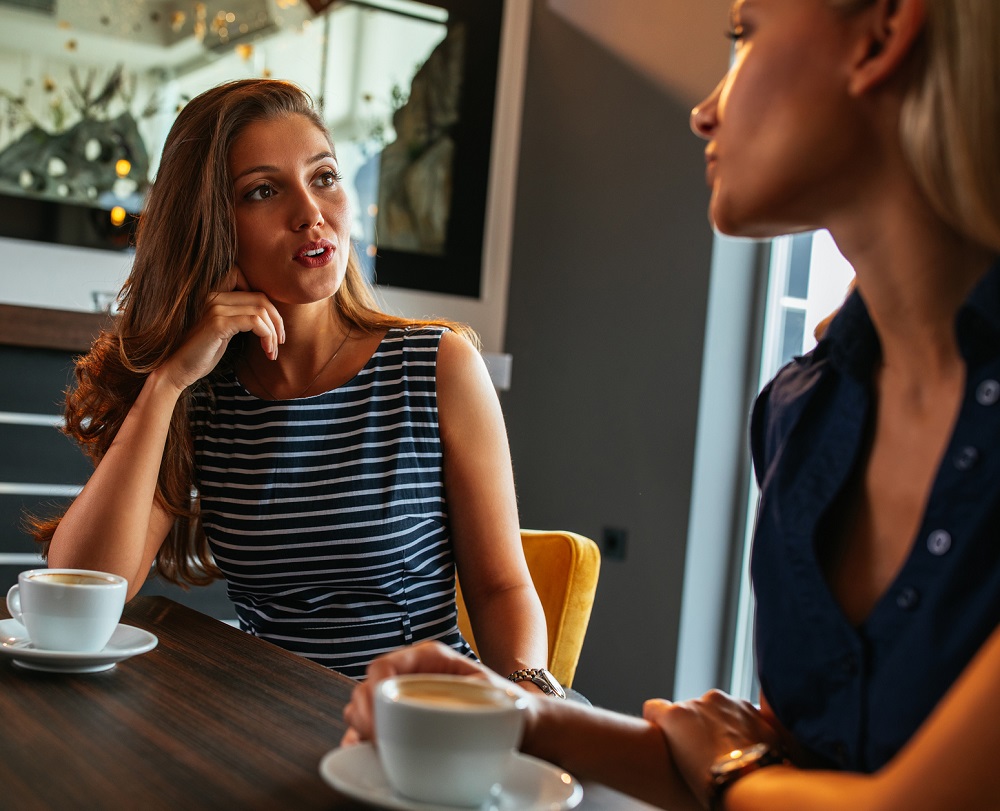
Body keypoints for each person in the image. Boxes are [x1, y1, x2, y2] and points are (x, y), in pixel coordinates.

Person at [342, 0, 1000, 807]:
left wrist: (735, 772)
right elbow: (772, 773)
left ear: (883, 32)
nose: (703, 109)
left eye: (743, 36)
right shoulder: (807, 410)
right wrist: (513, 710)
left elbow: (769, 779)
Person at [35, 78, 550, 684]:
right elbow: (83, 591)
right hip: (276, 728)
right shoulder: (204, 397)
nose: (310, 214)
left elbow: (500, 587)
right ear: (212, 226)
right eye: (262, 191)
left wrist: (524, 710)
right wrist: (170, 380)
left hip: (419, 724)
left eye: (324, 177)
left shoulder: (437, 366)